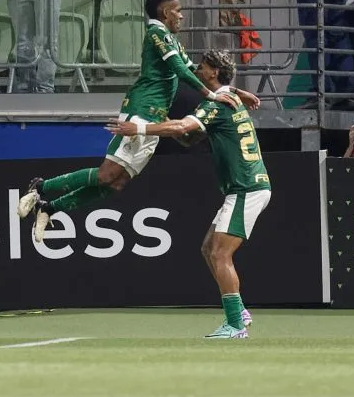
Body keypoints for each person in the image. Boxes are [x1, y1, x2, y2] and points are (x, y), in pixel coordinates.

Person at [17, 0, 261, 241]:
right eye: (178, 11)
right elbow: (181, 70)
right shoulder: (157, 33)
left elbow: (196, 71)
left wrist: (235, 90)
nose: (181, 16)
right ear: (165, 12)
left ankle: (49, 208)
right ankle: (40, 187)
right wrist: (211, 96)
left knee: (116, 183)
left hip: (156, 117)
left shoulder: (172, 40)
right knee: (106, 174)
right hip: (141, 111)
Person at [105, 49, 270, 340]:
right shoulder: (228, 98)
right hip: (244, 188)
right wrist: (161, 120)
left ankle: (235, 325)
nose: (198, 71)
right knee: (209, 249)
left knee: (220, 253)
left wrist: (139, 127)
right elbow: (188, 137)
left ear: (214, 73)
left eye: (203, 67)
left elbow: (183, 126)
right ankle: (239, 312)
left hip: (247, 188)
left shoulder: (217, 103)